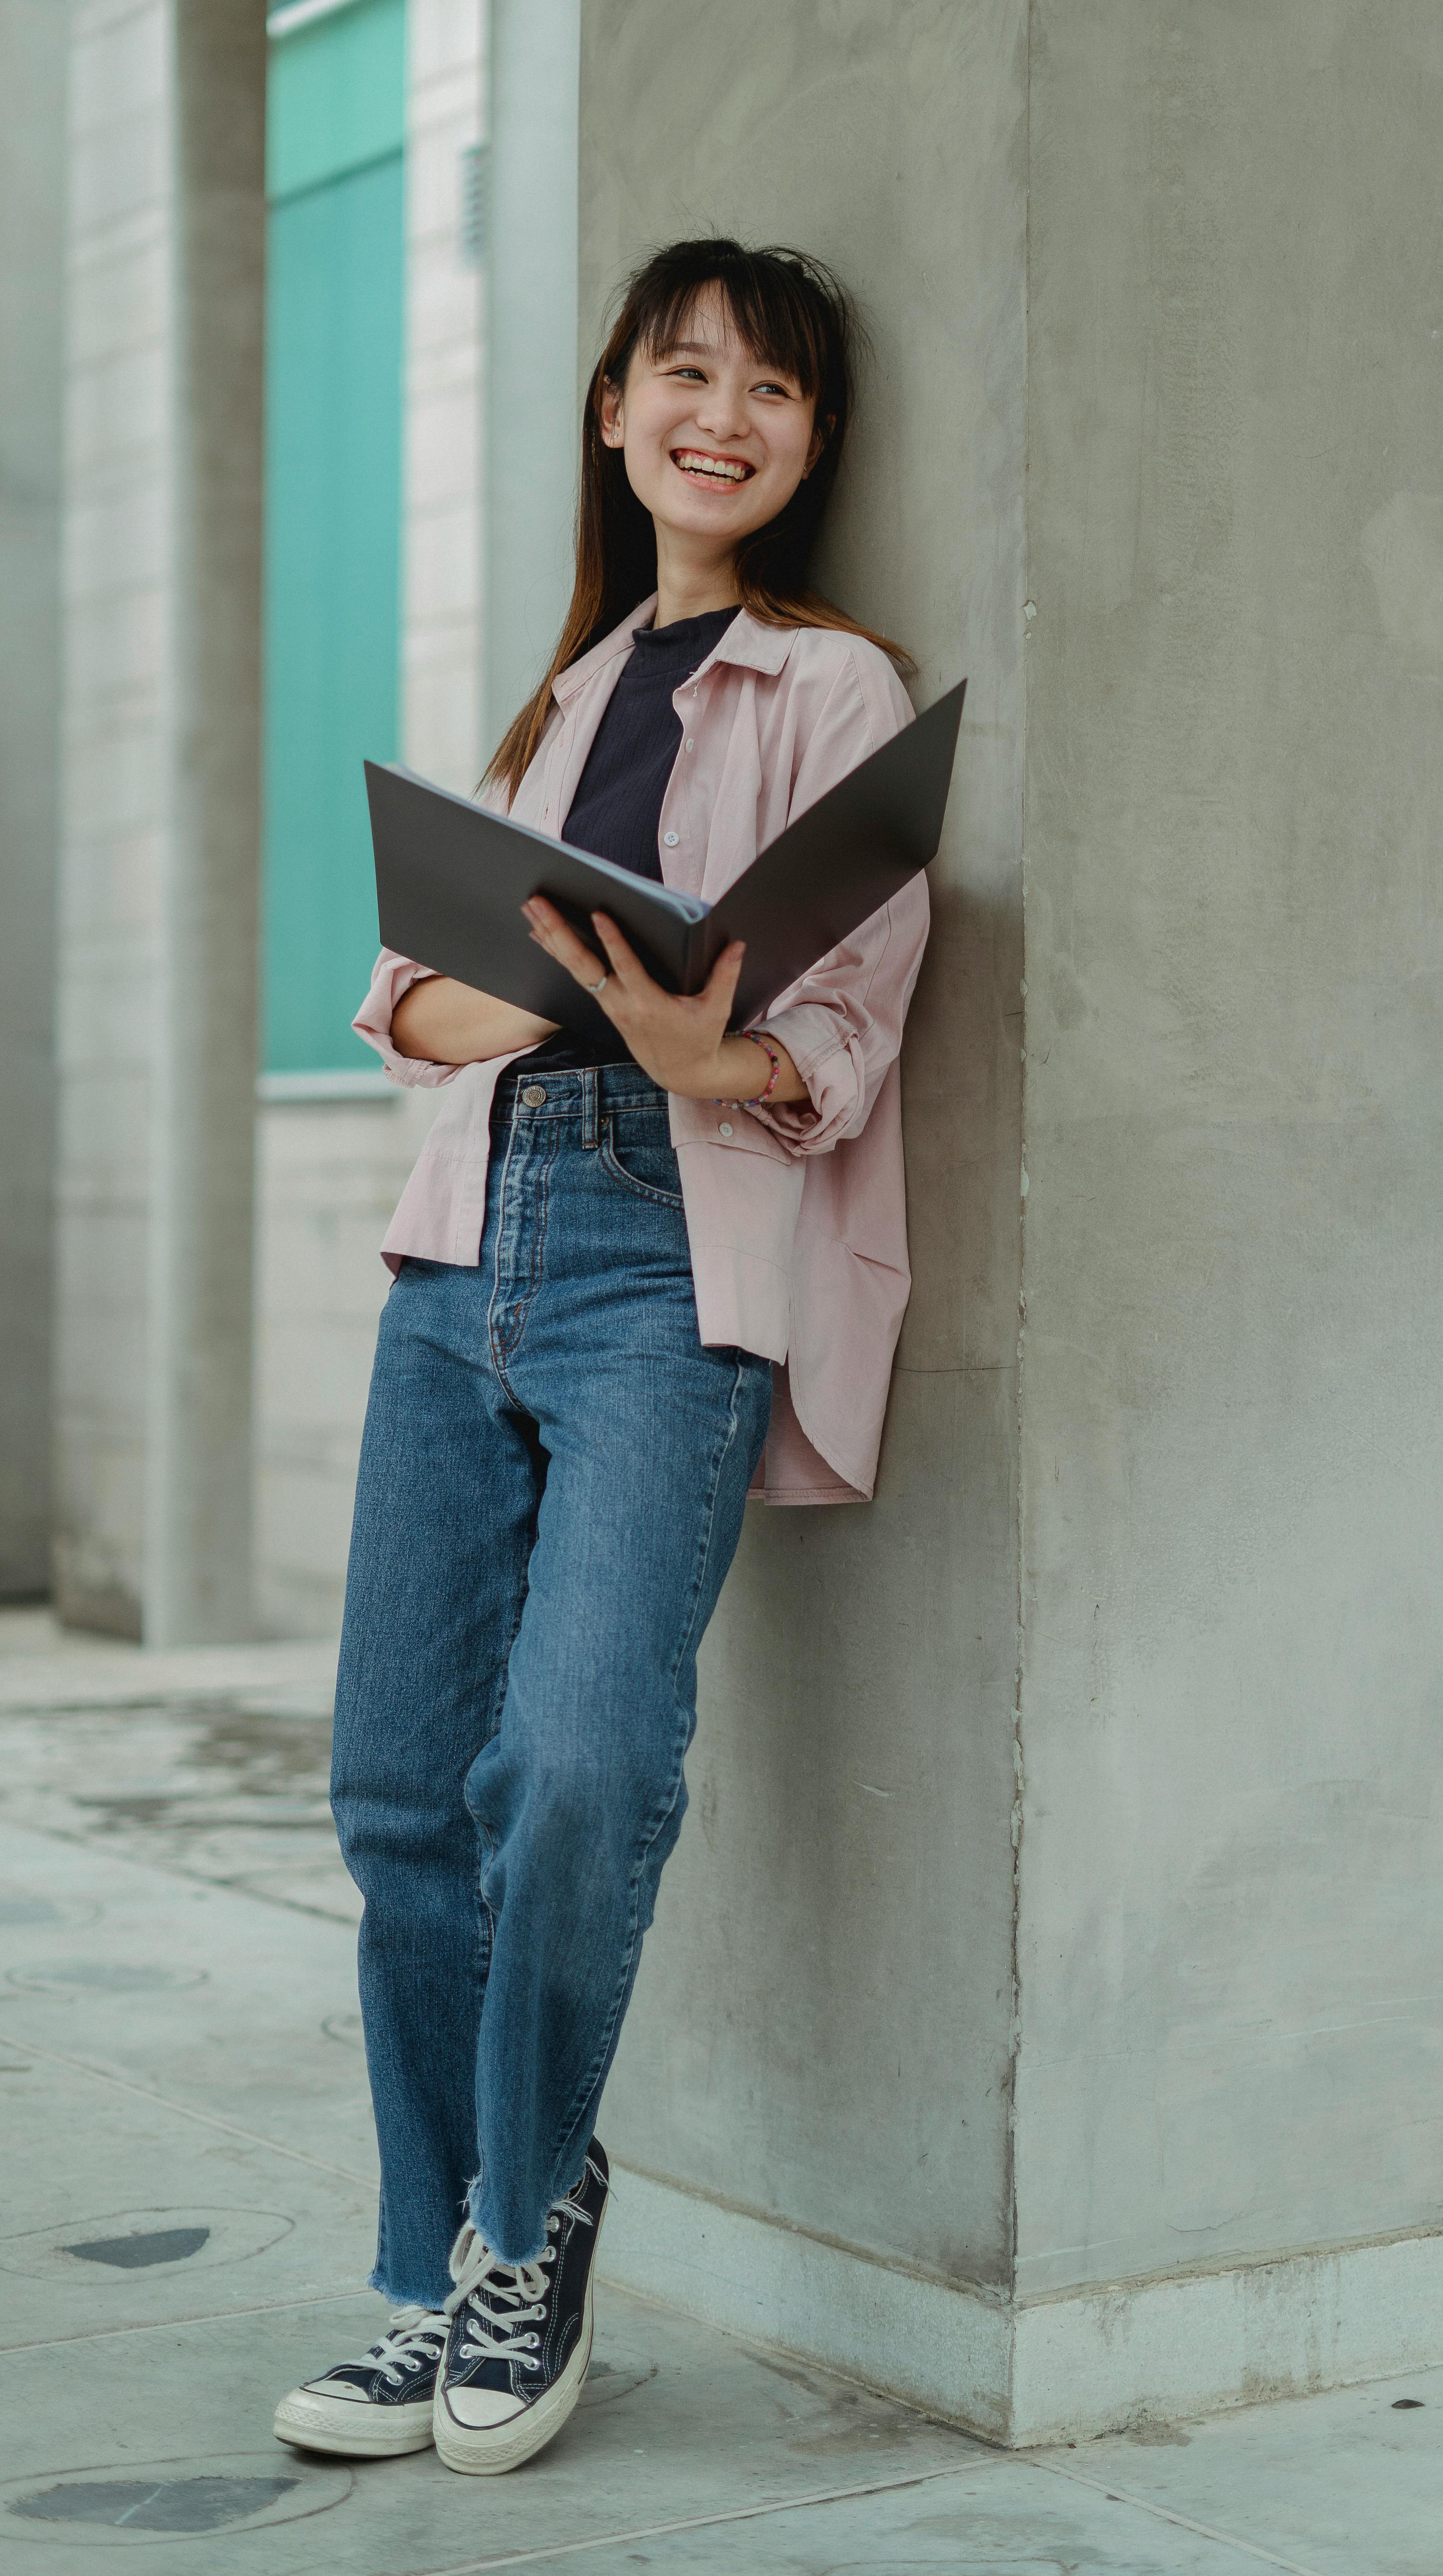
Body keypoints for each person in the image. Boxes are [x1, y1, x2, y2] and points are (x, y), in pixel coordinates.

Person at [273, 239, 930, 2476]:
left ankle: (532, 2226)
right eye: (680, 374)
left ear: (814, 443)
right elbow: (408, 1004)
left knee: (572, 1765)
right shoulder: (557, 702)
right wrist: (571, 1008)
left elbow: (833, 1044)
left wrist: (691, 1045)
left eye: (768, 389)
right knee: (395, 1788)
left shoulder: (835, 693)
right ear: (610, 411)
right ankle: (426, 2266)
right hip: (469, 1248)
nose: (717, 416)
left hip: (672, 1256)